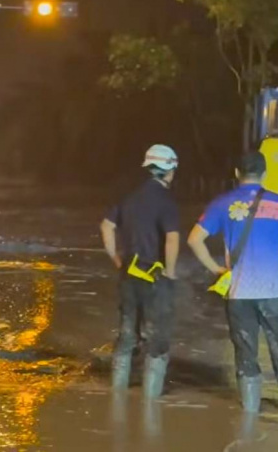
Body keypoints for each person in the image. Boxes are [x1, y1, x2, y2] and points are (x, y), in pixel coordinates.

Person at [187, 151, 278, 424]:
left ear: (236, 173)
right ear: (265, 174)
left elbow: (194, 239)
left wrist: (216, 268)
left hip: (239, 295)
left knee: (245, 355)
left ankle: (249, 423)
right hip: (274, 294)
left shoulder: (222, 203)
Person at [100, 144, 180, 399]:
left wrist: (115, 257)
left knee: (126, 335)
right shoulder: (166, 201)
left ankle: (118, 395)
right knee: (156, 339)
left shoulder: (130, 196)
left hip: (129, 273)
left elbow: (105, 226)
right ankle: (150, 403)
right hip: (155, 277)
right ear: (169, 170)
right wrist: (170, 271)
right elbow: (172, 239)